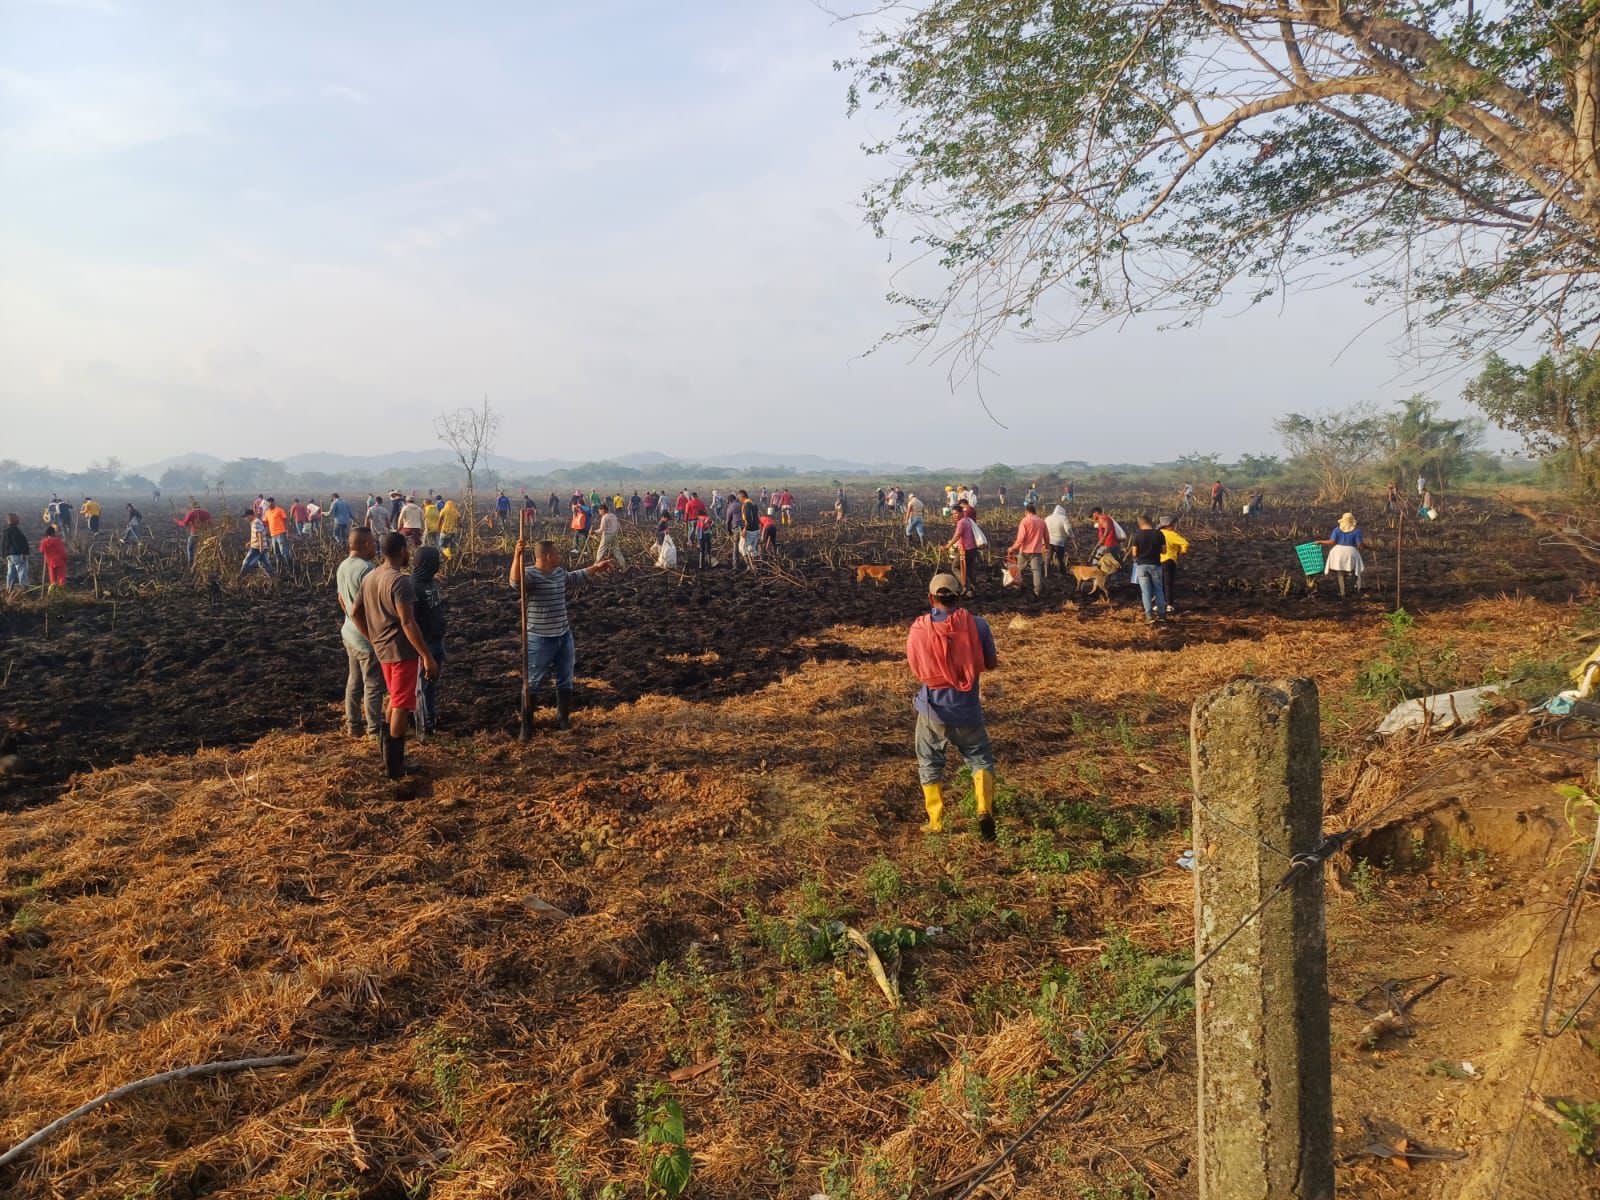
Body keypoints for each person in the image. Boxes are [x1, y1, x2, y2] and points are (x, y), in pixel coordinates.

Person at [907, 572, 1000, 840]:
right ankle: (983, 809)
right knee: (980, 758)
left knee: (929, 762)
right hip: (968, 708)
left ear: (931, 598)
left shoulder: (919, 628)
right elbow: (990, 663)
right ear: (959, 597)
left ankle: (936, 822)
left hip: (933, 709)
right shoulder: (978, 625)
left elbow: (917, 670)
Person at [350, 532, 439, 778]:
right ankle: (395, 768)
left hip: (384, 651)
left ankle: (391, 759)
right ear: (401, 550)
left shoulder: (371, 576)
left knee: (393, 700)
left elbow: (354, 611)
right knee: (401, 704)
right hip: (401, 652)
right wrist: (426, 656)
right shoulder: (400, 581)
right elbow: (408, 622)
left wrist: (373, 638)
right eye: (407, 548)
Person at [509, 537, 613, 730]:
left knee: (565, 677)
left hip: (564, 636)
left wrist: (597, 568)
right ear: (547, 556)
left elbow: (576, 577)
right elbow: (515, 582)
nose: (559, 556)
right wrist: (517, 555)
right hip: (539, 638)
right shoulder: (529, 575)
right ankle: (527, 725)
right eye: (557, 554)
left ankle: (563, 719)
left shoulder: (558, 573)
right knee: (533, 681)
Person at [336, 528, 385, 740]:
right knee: (373, 684)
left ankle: (353, 726)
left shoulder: (343, 566)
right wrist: (373, 636)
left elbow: (341, 599)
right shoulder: (367, 569)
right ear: (365, 544)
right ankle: (374, 731)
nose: (375, 547)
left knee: (354, 680)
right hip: (365, 637)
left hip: (348, 632)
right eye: (373, 543)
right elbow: (370, 607)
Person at [412, 545, 447, 733]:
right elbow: (411, 622)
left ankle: (430, 719)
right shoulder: (413, 587)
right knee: (422, 687)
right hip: (425, 645)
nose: (439, 564)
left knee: (431, 685)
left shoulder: (431, 583)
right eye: (436, 561)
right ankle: (424, 726)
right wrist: (423, 652)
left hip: (436, 640)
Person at [1128, 515, 1168, 624]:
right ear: (1151, 521)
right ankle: (1162, 615)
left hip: (1141, 566)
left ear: (1140, 524)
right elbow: (1164, 551)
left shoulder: (1137, 535)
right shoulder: (1159, 534)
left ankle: (1149, 616)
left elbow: (1134, 553)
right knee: (1159, 590)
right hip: (1155, 565)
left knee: (1145, 592)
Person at [1318, 512, 1365, 596]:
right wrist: (1367, 547)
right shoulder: (1357, 531)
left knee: (1340, 572)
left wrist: (1320, 541)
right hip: (1351, 551)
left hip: (1337, 552)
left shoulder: (1337, 530)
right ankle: (1353, 588)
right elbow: (1359, 545)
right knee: (1354, 570)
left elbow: (1332, 541)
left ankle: (1343, 592)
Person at [1008, 502, 1048, 597]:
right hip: (1037, 551)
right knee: (1036, 571)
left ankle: (1018, 587)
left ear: (1026, 512)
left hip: (1024, 551)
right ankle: (1037, 591)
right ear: (1034, 512)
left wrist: (1013, 548)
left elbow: (1020, 538)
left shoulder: (1024, 521)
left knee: (1019, 569)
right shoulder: (1042, 521)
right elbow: (1046, 537)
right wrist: (1046, 546)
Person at [1158, 516, 1189, 614]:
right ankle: (1169, 605)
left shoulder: (1157, 533)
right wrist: (1182, 552)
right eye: (1174, 524)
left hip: (1158, 561)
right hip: (1169, 560)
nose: (1175, 526)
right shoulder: (1172, 534)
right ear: (1169, 526)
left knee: (1159, 583)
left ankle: (1158, 604)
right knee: (1168, 583)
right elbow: (1185, 543)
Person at [947, 502, 980, 592]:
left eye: (956, 513)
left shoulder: (961, 522)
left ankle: (966, 585)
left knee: (955, 567)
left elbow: (957, 535)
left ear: (961, 513)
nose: (954, 516)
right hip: (973, 549)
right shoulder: (968, 520)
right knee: (969, 569)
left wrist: (948, 546)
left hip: (965, 549)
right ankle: (973, 589)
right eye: (953, 514)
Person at [239, 509, 275, 578]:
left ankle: (240, 578)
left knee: (246, 562)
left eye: (246, 517)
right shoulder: (255, 522)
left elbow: (260, 535)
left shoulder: (256, 522)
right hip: (261, 547)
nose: (245, 519)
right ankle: (274, 578)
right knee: (265, 564)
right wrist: (250, 542)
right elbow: (257, 534)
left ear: (250, 515)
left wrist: (260, 548)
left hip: (257, 548)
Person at [175, 501, 212, 565]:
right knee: (203, 550)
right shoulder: (206, 513)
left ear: (192, 507)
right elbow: (210, 524)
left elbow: (184, 524)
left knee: (190, 549)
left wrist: (177, 521)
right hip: (204, 535)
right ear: (199, 506)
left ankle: (191, 564)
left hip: (194, 535)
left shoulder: (191, 513)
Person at [3, 514, 28, 592]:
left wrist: (4, 554)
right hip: (18, 554)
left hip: (10, 556)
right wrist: (24, 552)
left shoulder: (6, 531)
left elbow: (4, 544)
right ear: (14, 520)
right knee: (22, 571)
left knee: (11, 573)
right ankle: (24, 589)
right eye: (17, 518)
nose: (19, 520)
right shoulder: (16, 531)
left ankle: (9, 589)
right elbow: (18, 543)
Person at [1045, 503, 1072, 576]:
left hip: (1049, 541)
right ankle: (1062, 572)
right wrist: (1071, 536)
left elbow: (1044, 529)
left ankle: (1046, 573)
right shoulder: (1063, 518)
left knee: (1048, 557)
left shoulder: (1047, 518)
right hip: (1059, 542)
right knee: (1060, 558)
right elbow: (1068, 529)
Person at [262, 498, 292, 564]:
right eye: (268, 503)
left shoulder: (279, 510)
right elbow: (265, 522)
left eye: (271, 502)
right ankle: (280, 567)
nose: (270, 504)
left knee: (283, 551)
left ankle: (290, 566)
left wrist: (287, 531)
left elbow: (285, 520)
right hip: (273, 535)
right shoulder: (267, 512)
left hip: (281, 533)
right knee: (276, 552)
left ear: (274, 503)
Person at [738, 489, 761, 571]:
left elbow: (748, 519)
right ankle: (755, 566)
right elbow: (758, 518)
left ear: (742, 496)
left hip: (749, 530)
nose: (739, 499)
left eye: (739, 497)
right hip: (756, 529)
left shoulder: (746, 505)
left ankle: (749, 566)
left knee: (741, 547)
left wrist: (744, 529)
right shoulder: (754, 504)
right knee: (752, 549)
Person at [39, 524, 67, 589]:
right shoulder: (58, 541)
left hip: (50, 562)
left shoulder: (44, 541)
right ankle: (61, 590)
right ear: (53, 533)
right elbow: (62, 551)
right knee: (61, 577)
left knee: (52, 578)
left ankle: (53, 591)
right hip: (60, 561)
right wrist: (65, 558)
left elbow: (41, 551)